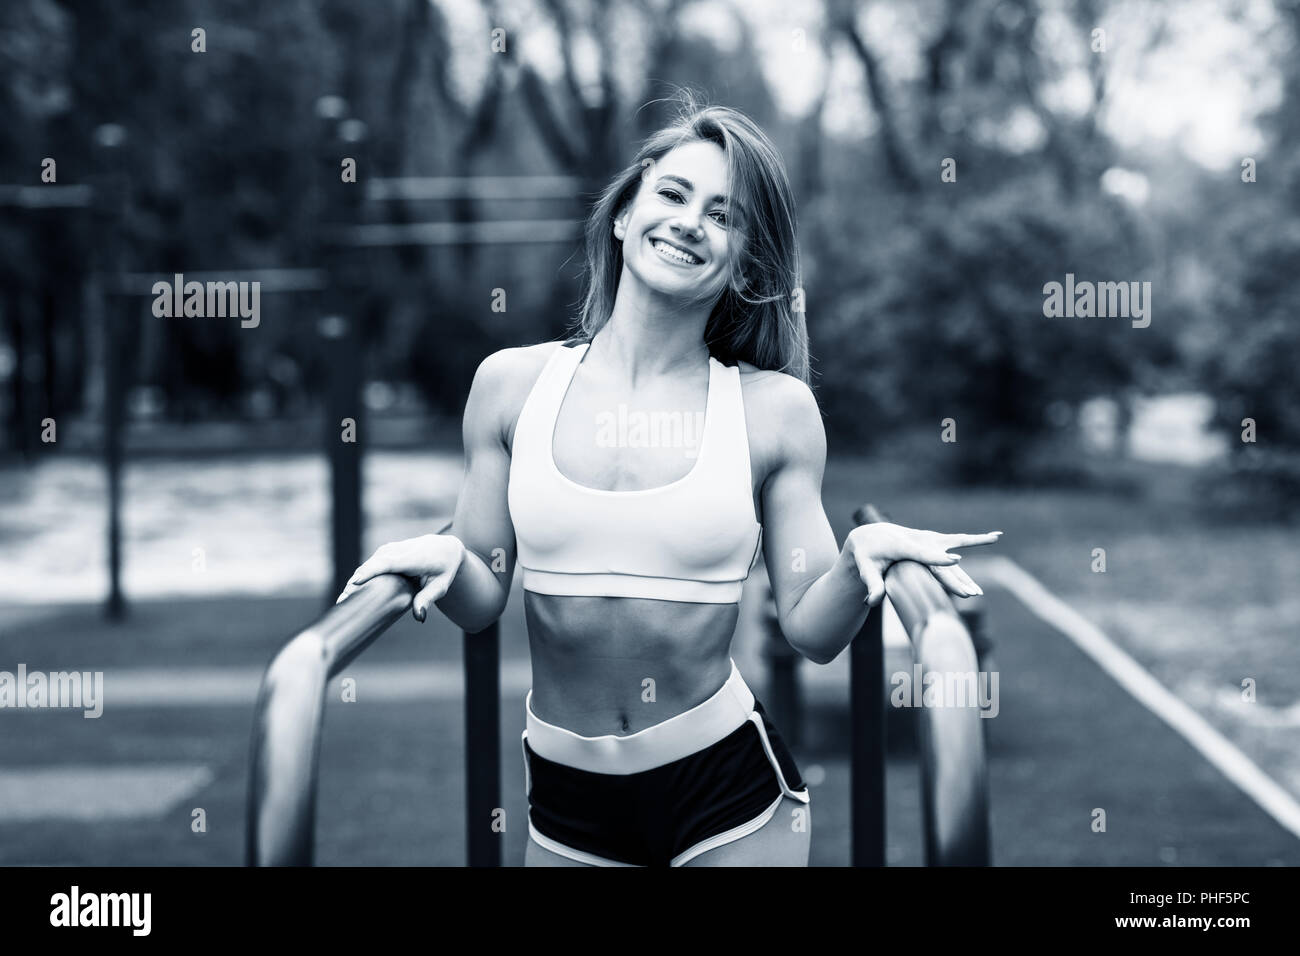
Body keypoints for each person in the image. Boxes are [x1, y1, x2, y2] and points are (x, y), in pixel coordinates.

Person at [336, 93, 1000, 866]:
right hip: (565, 803)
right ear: (624, 214)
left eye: (723, 216)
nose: (689, 222)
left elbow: (814, 632)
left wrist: (859, 561)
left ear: (745, 262)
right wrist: (447, 564)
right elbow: (483, 599)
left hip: (728, 799)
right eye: (673, 195)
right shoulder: (510, 386)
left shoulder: (774, 411)